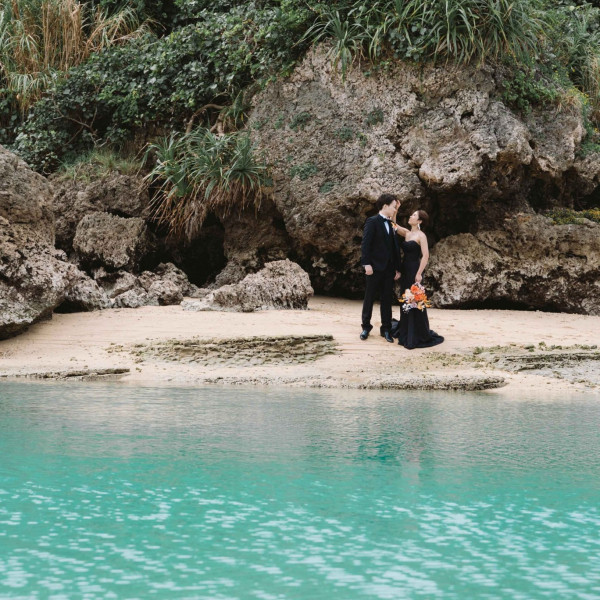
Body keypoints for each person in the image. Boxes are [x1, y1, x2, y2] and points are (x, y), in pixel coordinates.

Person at [391, 209, 444, 349]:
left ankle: (416, 332)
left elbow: (425, 256)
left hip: (415, 269)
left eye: (414, 215)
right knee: (405, 298)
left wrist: (419, 273)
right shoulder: (407, 233)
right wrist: (396, 211)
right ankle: (406, 329)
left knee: (415, 299)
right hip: (405, 269)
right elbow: (393, 225)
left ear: (419, 221)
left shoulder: (421, 236)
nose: (410, 216)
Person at [360, 194, 401, 342]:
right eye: (393, 206)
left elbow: (395, 247)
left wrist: (397, 268)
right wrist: (366, 264)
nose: (394, 209)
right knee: (369, 297)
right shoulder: (372, 221)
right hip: (374, 267)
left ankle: (386, 330)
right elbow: (366, 244)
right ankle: (365, 327)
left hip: (389, 269)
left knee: (386, 300)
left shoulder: (392, 223)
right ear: (385, 206)